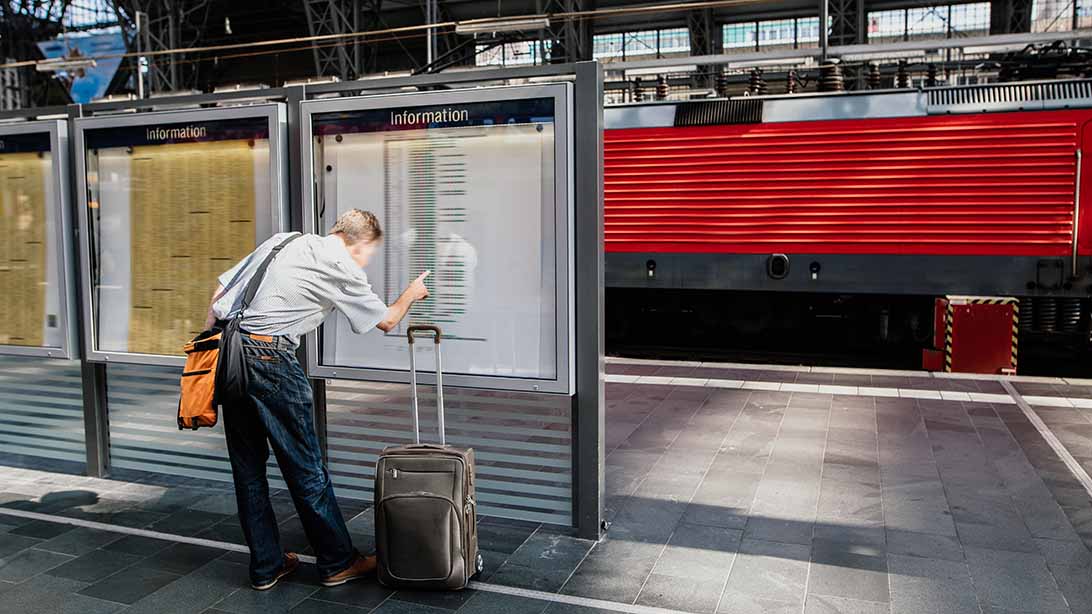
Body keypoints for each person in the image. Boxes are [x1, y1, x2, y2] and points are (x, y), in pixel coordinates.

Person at [206, 209, 429, 591]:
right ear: (359, 243)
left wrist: (216, 354)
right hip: (271, 360)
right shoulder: (340, 264)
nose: (366, 262)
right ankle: (338, 563)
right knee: (306, 468)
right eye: (368, 253)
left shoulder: (282, 241)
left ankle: (266, 567)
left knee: (248, 470)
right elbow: (387, 320)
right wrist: (413, 292)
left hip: (231, 355)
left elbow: (219, 297)